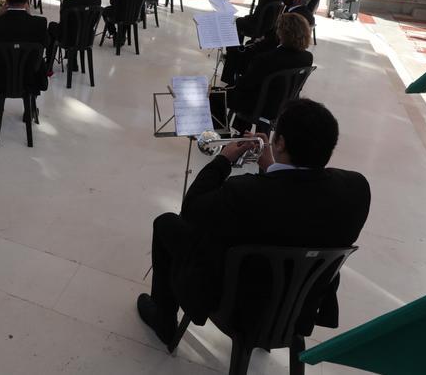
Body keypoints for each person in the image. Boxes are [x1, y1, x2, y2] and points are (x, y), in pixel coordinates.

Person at [136, 98, 371, 347]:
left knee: (166, 223)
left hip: (237, 305)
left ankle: (164, 322)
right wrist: (273, 168)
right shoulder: (356, 188)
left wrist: (223, 160)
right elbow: (298, 203)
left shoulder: (244, 193)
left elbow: (192, 210)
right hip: (299, 307)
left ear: (279, 143)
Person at [224, 12, 314, 119]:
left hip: (260, 107)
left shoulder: (266, 59)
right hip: (285, 105)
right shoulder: (308, 57)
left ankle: (216, 133)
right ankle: (241, 131)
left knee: (215, 95)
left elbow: (244, 85)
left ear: (281, 33)